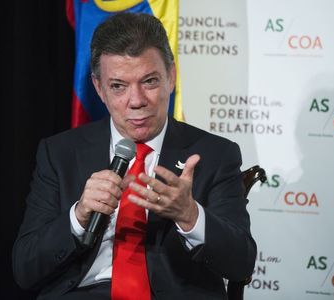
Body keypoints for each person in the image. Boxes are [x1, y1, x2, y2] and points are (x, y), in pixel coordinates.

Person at [13, 12, 256, 300]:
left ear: (171, 77)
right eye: (118, 86)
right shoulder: (61, 153)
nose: (137, 101)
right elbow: (25, 270)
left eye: (150, 81)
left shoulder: (215, 154)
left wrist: (189, 215)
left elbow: (241, 263)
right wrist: (77, 217)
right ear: (99, 89)